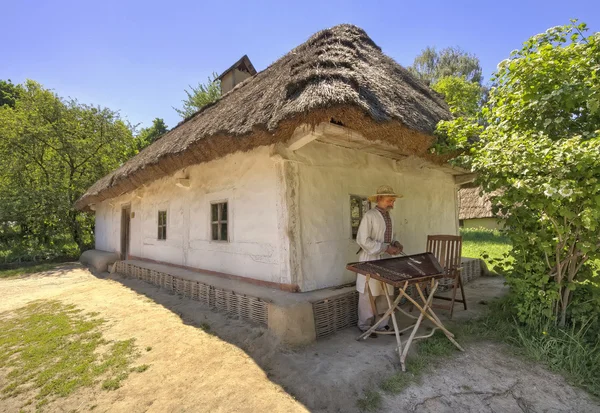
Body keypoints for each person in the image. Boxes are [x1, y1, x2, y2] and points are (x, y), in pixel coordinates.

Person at [355, 185, 404, 337]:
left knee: (385, 293)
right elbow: (362, 240)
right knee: (369, 293)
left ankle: (382, 325)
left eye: (393, 201)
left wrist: (395, 243)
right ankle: (365, 326)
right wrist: (384, 248)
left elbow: (389, 237)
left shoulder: (390, 217)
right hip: (371, 259)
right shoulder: (370, 215)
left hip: (386, 260)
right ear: (379, 199)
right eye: (390, 200)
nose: (392, 204)